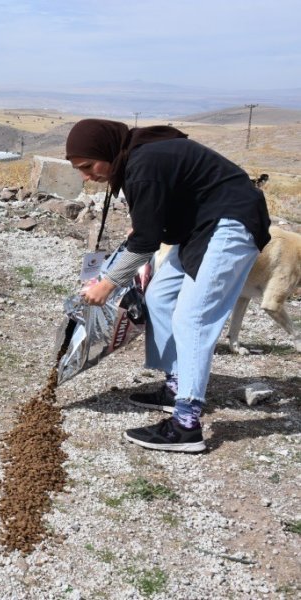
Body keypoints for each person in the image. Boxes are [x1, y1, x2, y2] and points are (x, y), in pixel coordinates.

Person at [65, 119, 271, 453]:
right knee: (159, 297)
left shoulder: (143, 163)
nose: (86, 177)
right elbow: (153, 224)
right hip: (201, 226)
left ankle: (186, 424)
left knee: (193, 318)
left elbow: (145, 244)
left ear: (106, 150)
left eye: (88, 166)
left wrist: (108, 284)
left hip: (231, 223)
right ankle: (176, 386)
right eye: (79, 170)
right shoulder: (138, 159)